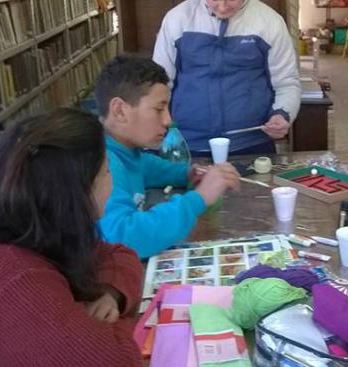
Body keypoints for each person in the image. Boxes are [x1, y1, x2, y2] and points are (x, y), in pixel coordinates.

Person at [0, 108, 142, 367]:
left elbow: (121, 255)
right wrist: (105, 328)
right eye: (107, 170)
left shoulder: (34, 228)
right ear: (79, 191)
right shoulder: (11, 280)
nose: (111, 179)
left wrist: (109, 293)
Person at [153, 0, 301, 155]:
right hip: (188, 142)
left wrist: (283, 114)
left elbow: (287, 81)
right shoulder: (177, 19)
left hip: (251, 142)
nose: (222, 7)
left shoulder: (269, 22)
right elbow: (159, 82)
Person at [95, 56, 240, 259]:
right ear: (119, 110)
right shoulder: (103, 164)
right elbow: (124, 238)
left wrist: (188, 173)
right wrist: (199, 198)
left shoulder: (125, 152)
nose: (168, 120)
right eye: (159, 109)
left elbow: (146, 166)